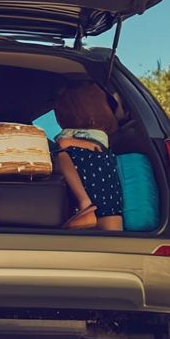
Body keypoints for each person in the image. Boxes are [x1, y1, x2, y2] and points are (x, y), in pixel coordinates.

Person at [53, 81, 124, 231]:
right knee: (113, 244)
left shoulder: (91, 138)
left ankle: (85, 205)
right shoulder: (102, 136)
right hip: (108, 198)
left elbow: (93, 148)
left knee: (61, 156)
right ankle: (85, 209)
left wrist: (66, 142)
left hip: (93, 197)